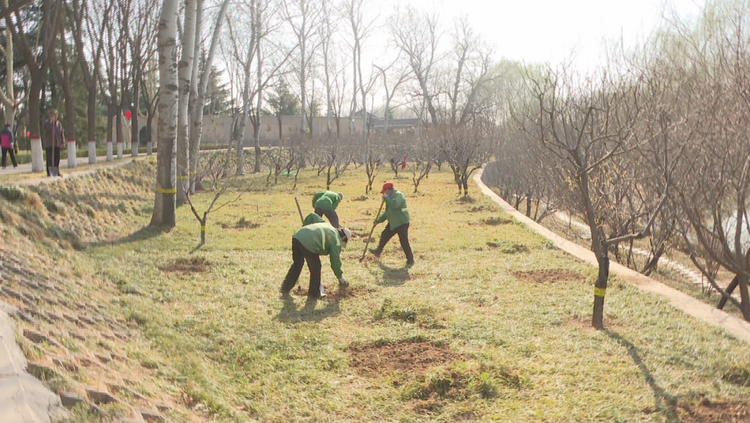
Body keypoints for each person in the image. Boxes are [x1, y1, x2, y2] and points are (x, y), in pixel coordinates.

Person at [281, 213, 351, 299]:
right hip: (310, 243)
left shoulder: (327, 225)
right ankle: (314, 294)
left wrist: (305, 227)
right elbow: (334, 261)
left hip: (297, 235)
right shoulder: (336, 240)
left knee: (297, 264)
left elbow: (312, 216)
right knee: (316, 268)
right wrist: (340, 277)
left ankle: (285, 288)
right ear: (343, 238)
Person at [369, 181, 414, 266]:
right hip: (393, 222)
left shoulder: (398, 195)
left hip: (402, 222)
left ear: (389, 190)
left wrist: (387, 199)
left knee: (404, 241)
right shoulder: (389, 198)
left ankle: (410, 259)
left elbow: (395, 205)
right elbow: (387, 213)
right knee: (384, 234)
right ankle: (378, 251)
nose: (384, 193)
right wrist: (378, 221)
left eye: (385, 191)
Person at [42, 110, 64, 177]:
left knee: (57, 158)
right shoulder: (47, 123)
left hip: (57, 144)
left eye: (56, 115)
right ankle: (49, 172)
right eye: (54, 115)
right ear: (51, 115)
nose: (55, 116)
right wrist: (51, 122)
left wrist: (62, 141)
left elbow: (61, 133)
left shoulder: (58, 124)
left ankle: (56, 171)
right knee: (49, 158)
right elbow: (46, 128)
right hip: (50, 144)